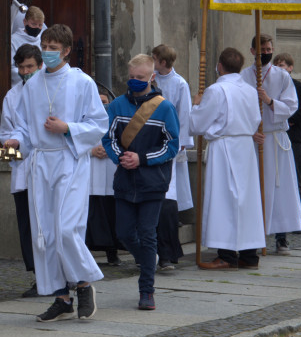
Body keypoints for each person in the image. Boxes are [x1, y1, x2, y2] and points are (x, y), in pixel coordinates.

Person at [3, 23, 107, 323]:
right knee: (45, 233)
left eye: (52, 48)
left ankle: (84, 282)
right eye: (44, 46)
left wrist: (68, 128)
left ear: (66, 51)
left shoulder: (81, 82)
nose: (47, 52)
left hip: (69, 159)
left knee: (65, 228)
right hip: (40, 162)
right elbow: (23, 124)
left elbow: (98, 122)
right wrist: (16, 139)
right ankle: (62, 298)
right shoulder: (32, 85)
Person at [101, 54, 179, 310]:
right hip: (125, 180)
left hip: (152, 183)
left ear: (152, 77)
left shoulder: (165, 108)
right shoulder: (117, 106)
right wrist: (119, 157)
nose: (135, 81)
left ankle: (147, 290)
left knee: (147, 234)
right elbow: (108, 138)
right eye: (132, 77)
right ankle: (148, 259)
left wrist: (142, 158)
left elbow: (172, 145)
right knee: (124, 233)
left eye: (141, 78)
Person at [194, 48, 265, 269]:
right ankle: (249, 254)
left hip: (224, 146)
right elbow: (255, 119)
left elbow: (197, 124)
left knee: (223, 199)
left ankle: (226, 254)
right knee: (246, 201)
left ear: (220, 66)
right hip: (244, 146)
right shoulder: (250, 90)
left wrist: (196, 104)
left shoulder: (216, 90)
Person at [242, 34, 301, 255]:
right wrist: (250, 131)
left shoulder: (282, 76)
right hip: (255, 140)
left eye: (269, 49)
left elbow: (291, 105)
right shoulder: (244, 76)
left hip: (276, 139)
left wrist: (268, 101)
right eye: (262, 50)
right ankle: (255, 237)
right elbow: (239, 110)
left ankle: (281, 238)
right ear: (252, 52)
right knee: (255, 189)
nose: (266, 53)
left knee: (281, 188)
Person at [0, 44, 43, 298]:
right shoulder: (12, 96)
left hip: (47, 164)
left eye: (30, 66)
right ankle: (39, 276)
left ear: (39, 66)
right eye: (21, 67)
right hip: (23, 169)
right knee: (27, 224)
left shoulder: (50, 91)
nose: (25, 71)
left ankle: (60, 275)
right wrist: (9, 143)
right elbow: (7, 129)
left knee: (46, 225)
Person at [151, 44, 192, 270]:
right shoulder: (150, 79)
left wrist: (182, 143)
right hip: (149, 143)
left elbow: (184, 114)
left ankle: (168, 252)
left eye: (155, 59)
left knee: (168, 198)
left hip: (170, 145)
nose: (152, 62)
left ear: (163, 62)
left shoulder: (179, 84)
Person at [84, 91, 120, 267]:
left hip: (111, 172)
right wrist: (91, 151)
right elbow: (76, 141)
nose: (102, 105)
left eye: (105, 101)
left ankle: (112, 253)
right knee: (92, 215)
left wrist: (110, 150)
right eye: (98, 102)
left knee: (112, 215)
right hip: (91, 174)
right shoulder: (85, 120)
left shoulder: (117, 119)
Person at [273, 53, 301, 199]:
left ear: (290, 68)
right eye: (275, 65)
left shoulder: (300, 87)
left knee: (295, 178)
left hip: (293, 139)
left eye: (281, 65)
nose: (278, 68)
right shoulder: (272, 87)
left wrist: (283, 118)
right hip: (275, 138)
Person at [10, 6, 46, 87]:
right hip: (21, 85)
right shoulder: (13, 40)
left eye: (40, 25)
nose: (37, 27)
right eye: (33, 24)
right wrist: (30, 76)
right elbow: (11, 67)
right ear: (25, 22)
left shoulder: (43, 40)